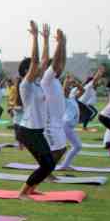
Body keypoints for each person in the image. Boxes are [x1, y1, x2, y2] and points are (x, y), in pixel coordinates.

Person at [17, 21, 57, 199]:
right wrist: (34, 38)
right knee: (47, 164)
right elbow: (35, 61)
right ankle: (23, 192)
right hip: (29, 131)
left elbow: (43, 61)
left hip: (36, 130)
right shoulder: (26, 85)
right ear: (27, 71)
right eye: (33, 69)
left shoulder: (37, 84)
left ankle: (31, 189)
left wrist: (46, 39)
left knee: (48, 163)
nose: (39, 70)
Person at [41, 26, 68, 165]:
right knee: (57, 150)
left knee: (61, 150)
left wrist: (63, 43)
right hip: (50, 124)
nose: (61, 68)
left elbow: (61, 61)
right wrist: (59, 44)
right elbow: (57, 61)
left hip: (57, 122)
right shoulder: (47, 78)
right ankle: (46, 172)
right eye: (57, 67)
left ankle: (47, 171)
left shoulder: (55, 79)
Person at [60, 75, 83, 170]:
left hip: (69, 126)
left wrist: (76, 83)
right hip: (66, 125)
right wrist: (67, 80)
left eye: (70, 88)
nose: (69, 89)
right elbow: (64, 89)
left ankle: (64, 165)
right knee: (77, 146)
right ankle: (64, 165)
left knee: (73, 146)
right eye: (68, 88)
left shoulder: (72, 97)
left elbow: (83, 90)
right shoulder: (64, 98)